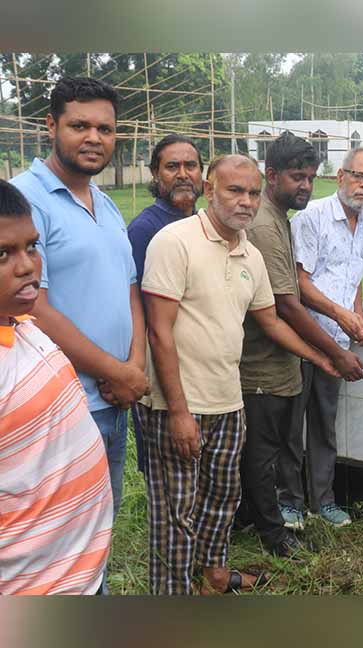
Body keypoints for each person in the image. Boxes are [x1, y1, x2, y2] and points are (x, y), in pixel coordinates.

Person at [138, 154, 336, 595]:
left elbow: (271, 321)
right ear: (210, 190)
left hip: (229, 400)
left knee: (221, 499)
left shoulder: (250, 252)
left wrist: (321, 359)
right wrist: (178, 412)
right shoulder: (175, 241)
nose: (245, 201)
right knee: (176, 513)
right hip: (179, 404)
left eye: (252, 193)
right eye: (234, 190)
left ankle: (213, 576)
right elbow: (159, 332)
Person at [10, 76, 147, 527]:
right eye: (79, 126)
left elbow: (130, 289)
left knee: (102, 522)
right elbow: (33, 307)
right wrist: (117, 372)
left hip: (113, 399)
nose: (94, 138)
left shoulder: (105, 204)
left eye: (105, 129)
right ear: (51, 126)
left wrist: (134, 367)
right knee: (63, 532)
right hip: (62, 405)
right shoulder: (26, 201)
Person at [238, 133, 363, 554]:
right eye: (297, 177)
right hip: (262, 360)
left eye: (310, 177)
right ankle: (275, 531)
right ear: (271, 175)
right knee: (268, 448)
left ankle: (279, 516)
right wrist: (332, 353)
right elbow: (288, 305)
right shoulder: (265, 225)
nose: (305, 186)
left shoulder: (281, 218)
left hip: (286, 353)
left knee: (277, 442)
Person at [0, 179, 113, 595]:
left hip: (79, 575)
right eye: (2, 254)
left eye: (31, 246)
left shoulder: (22, 325)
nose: (27, 266)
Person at [287, 147, 363, 528]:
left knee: (325, 424)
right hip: (303, 339)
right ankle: (289, 503)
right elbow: (300, 284)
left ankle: (322, 501)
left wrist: (359, 319)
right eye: (358, 176)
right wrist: (341, 315)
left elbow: (354, 278)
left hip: (338, 343)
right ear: (340, 176)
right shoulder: (311, 218)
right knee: (291, 425)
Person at [127, 134, 204, 473]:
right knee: (168, 468)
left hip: (201, 368)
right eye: (172, 167)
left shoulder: (203, 224)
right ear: (155, 174)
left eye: (191, 166)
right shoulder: (145, 230)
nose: (183, 174)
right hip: (162, 368)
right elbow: (139, 308)